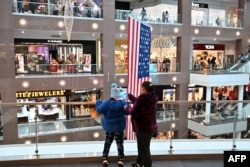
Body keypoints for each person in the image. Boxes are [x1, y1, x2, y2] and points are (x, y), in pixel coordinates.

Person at [125, 81, 158, 167]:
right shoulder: (152, 97)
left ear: (143, 88)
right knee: (142, 146)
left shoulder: (142, 98)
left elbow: (133, 111)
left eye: (140, 87)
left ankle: (147, 165)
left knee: (144, 150)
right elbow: (140, 103)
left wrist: (126, 107)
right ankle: (139, 163)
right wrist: (131, 97)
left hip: (143, 128)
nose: (140, 89)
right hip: (150, 127)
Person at [96, 83, 128, 167]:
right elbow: (127, 112)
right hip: (119, 126)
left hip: (109, 127)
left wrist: (99, 102)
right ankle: (121, 159)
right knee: (120, 143)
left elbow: (99, 110)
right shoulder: (123, 103)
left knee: (108, 142)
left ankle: (105, 158)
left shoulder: (106, 103)